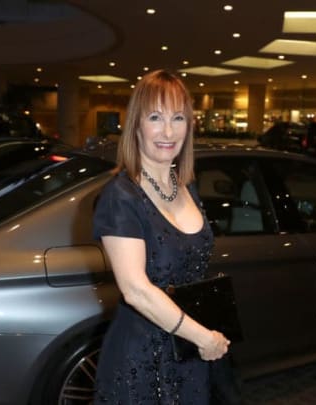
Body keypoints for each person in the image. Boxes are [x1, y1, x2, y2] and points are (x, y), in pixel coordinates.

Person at [92, 69, 231, 403]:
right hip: (143, 358)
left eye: (178, 117)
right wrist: (204, 337)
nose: (168, 131)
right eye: (155, 117)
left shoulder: (186, 187)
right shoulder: (121, 196)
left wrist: (203, 338)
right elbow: (136, 290)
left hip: (188, 351)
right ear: (137, 125)